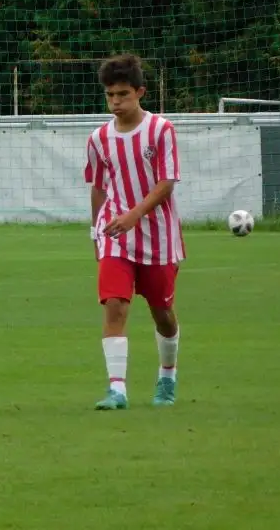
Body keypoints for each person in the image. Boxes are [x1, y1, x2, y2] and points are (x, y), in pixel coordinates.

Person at [83, 54, 185, 410]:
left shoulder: (161, 130)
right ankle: (117, 389)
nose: (115, 102)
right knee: (114, 304)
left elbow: (166, 183)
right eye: (110, 95)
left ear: (140, 92)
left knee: (162, 313)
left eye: (123, 94)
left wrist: (134, 215)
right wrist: (98, 230)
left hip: (158, 237)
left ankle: (167, 376)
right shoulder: (98, 138)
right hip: (116, 233)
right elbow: (97, 187)